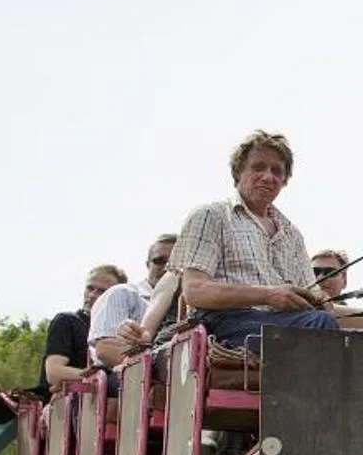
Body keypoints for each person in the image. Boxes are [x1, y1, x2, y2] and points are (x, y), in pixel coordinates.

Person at [172, 130, 340, 350]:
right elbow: (194, 291)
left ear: (284, 181)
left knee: (338, 330)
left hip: (283, 322)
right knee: (319, 325)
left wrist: (321, 299)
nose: (268, 176)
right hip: (225, 323)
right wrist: (269, 295)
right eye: (258, 167)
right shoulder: (211, 215)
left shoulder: (292, 234)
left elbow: (309, 289)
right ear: (238, 173)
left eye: (277, 171)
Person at [90, 232, 178, 367]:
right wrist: (156, 370)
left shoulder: (193, 303)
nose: (167, 267)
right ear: (148, 264)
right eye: (159, 261)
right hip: (121, 377)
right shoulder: (122, 294)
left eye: (174, 262)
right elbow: (106, 350)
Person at [37, 265, 123, 397]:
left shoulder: (121, 330)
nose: (92, 295)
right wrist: (102, 376)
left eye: (102, 291)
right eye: (90, 288)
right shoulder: (67, 321)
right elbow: (54, 373)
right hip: (65, 409)